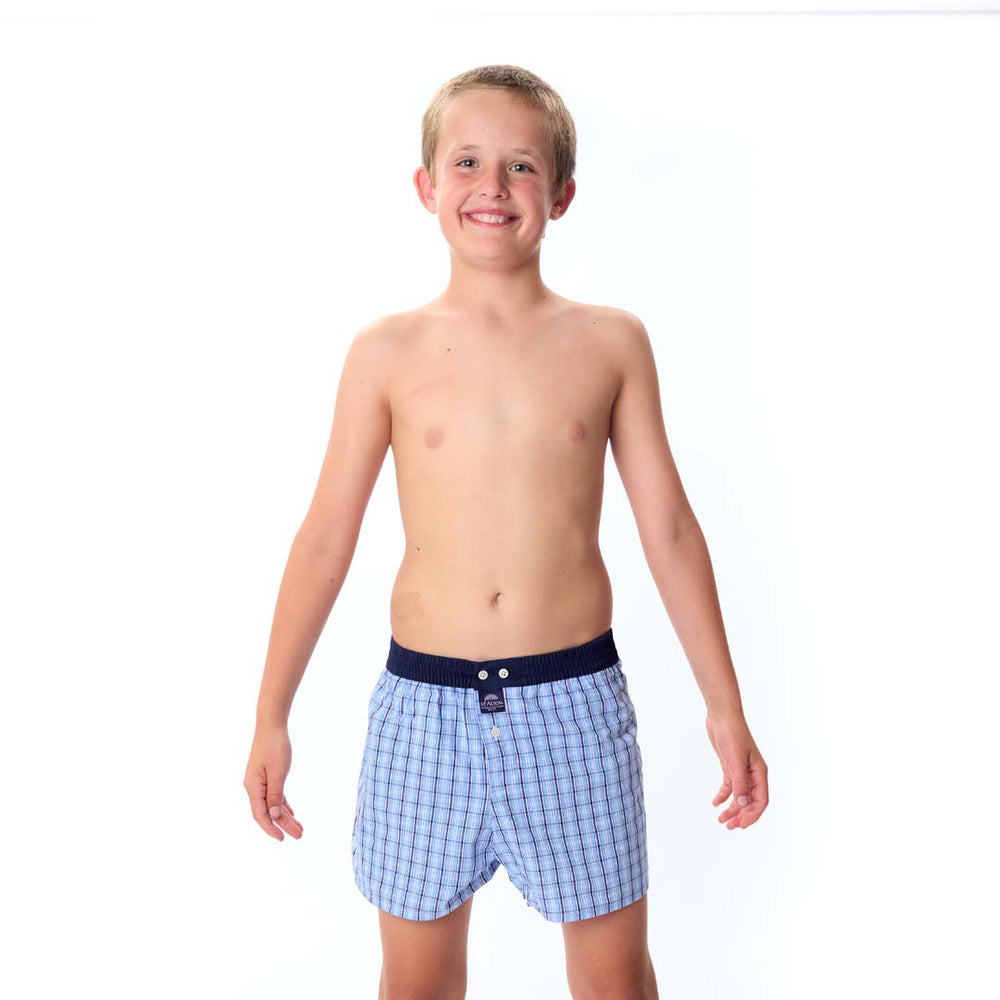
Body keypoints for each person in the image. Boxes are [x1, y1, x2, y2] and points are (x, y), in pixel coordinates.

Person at [244, 63, 768, 1000]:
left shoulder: (610, 342)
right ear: (426, 186)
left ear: (561, 195)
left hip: (572, 706)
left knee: (614, 984)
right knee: (416, 986)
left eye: (522, 165)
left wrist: (723, 706)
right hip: (424, 712)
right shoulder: (384, 352)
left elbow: (670, 530)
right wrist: (271, 713)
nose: (493, 186)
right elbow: (325, 538)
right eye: (468, 162)